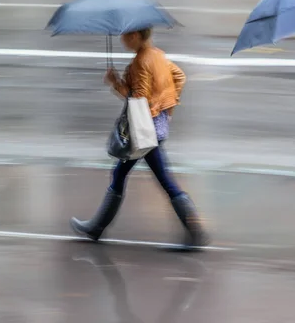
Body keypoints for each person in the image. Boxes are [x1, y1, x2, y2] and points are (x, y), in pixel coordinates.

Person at [70, 27, 210, 249]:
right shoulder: (158, 54)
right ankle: (194, 230)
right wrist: (167, 109)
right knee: (129, 174)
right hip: (157, 125)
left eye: (124, 36)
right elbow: (179, 77)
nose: (122, 39)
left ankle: (195, 231)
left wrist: (115, 82)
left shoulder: (140, 62)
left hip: (144, 131)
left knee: (152, 178)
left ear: (134, 36)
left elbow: (139, 99)